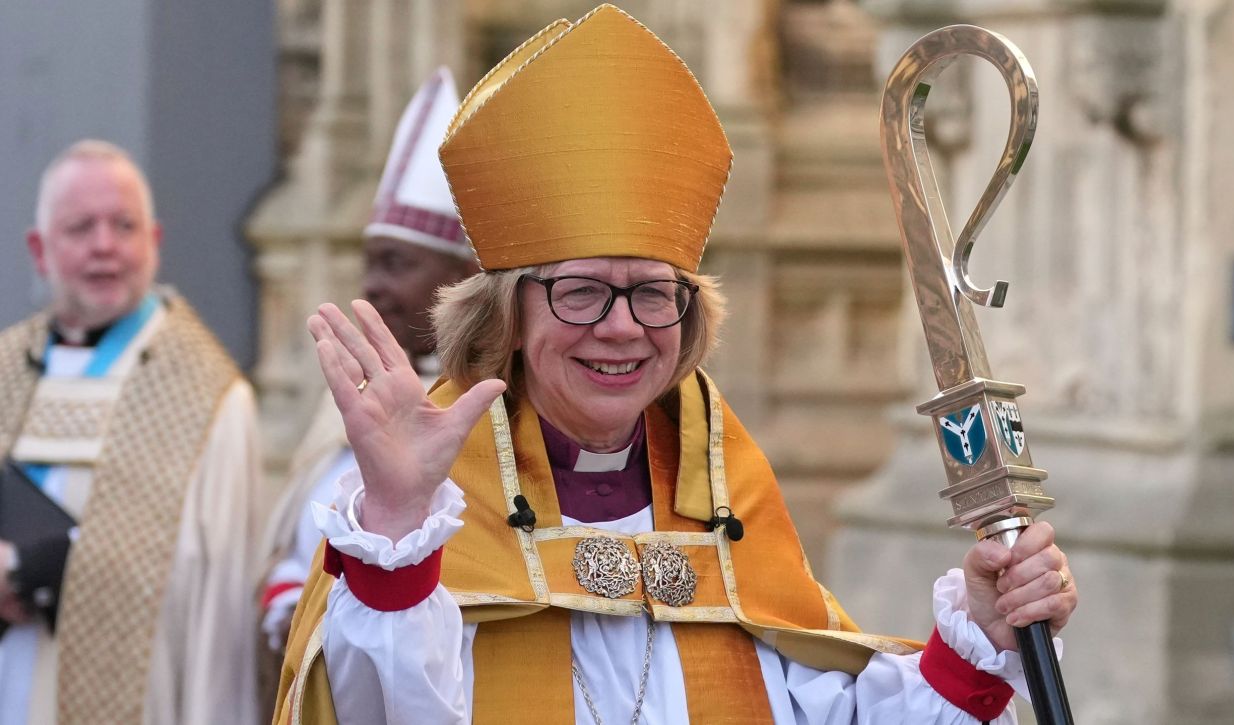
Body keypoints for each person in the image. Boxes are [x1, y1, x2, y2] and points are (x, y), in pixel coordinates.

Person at [275, 6, 1079, 724]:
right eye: (582, 291)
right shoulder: (418, 516)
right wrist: (399, 530)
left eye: (655, 294)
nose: (623, 328)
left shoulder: (728, 506)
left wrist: (979, 637)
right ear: (508, 315)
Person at [0, 140, 262, 724]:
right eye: (80, 227)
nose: (104, 246)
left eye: (124, 225)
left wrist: (45, 571)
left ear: (155, 242)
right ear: (39, 250)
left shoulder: (211, 398)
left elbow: (218, 616)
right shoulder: (5, 369)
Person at [260, 67, 479, 652]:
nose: (374, 285)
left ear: (462, 279)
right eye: (370, 264)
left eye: (397, 264)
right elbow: (293, 548)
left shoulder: (489, 406)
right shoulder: (349, 398)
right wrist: (288, 609)